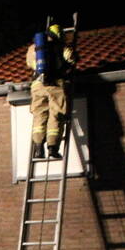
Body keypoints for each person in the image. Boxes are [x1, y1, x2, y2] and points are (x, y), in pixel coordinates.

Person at [25, 23, 76, 160]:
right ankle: (52, 148)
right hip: (55, 84)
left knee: (39, 115)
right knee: (56, 115)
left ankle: (38, 149)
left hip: (37, 85)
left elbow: (29, 63)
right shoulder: (62, 46)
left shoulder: (34, 47)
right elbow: (71, 59)